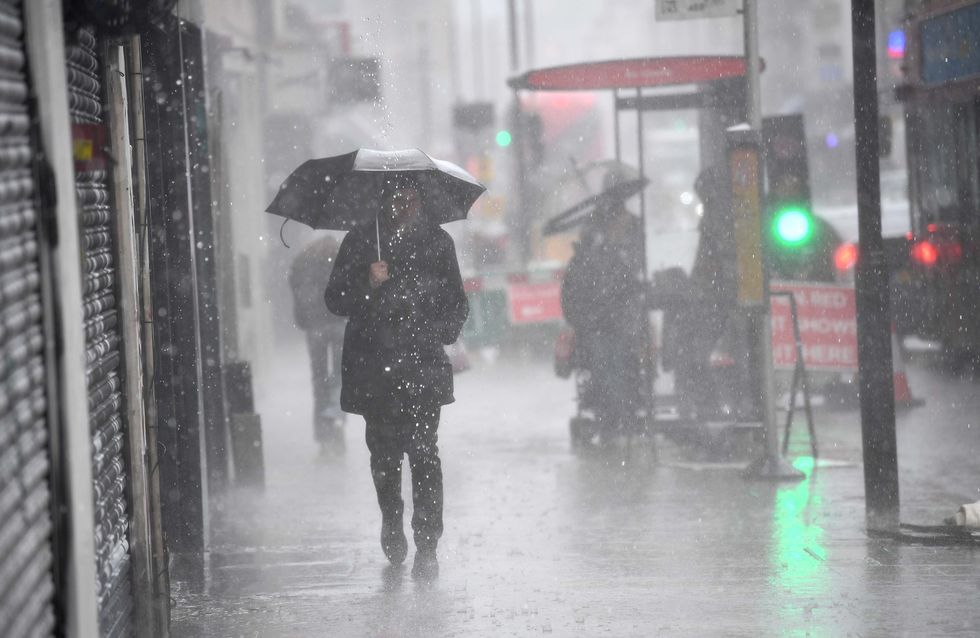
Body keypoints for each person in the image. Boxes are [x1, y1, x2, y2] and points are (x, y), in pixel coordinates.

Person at [324, 178, 468, 581]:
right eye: (398, 199)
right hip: (375, 370)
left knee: (424, 454)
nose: (406, 207)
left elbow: (457, 304)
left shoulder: (438, 243)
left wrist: (434, 331)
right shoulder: (360, 242)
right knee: (384, 457)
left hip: (422, 367)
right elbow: (334, 299)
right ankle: (392, 519)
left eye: (412, 199)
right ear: (384, 201)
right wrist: (367, 283)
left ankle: (427, 542)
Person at [560, 169, 648, 443]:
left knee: (623, 363)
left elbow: (635, 266)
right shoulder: (593, 227)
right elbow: (580, 274)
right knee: (602, 364)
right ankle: (612, 416)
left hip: (621, 314)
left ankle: (623, 414)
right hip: (596, 317)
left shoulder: (633, 226)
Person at [289, 235, 346, 455]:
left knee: (320, 380)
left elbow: (296, 288)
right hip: (339, 322)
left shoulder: (303, 260)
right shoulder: (343, 255)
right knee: (339, 379)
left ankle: (324, 437)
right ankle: (337, 425)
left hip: (316, 326)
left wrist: (303, 318)